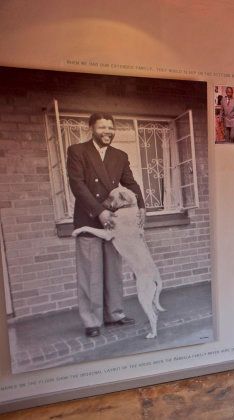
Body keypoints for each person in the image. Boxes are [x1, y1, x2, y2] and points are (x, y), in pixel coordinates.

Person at [67, 113, 145, 337]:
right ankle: (92, 321)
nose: (107, 131)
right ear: (91, 128)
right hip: (89, 216)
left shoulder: (119, 155)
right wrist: (99, 211)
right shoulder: (77, 151)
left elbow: (130, 183)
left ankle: (114, 314)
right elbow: (77, 185)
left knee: (113, 269)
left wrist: (141, 206)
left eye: (111, 127)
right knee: (90, 271)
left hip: (114, 220)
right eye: (102, 127)